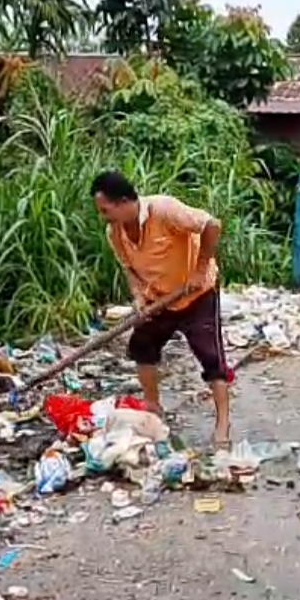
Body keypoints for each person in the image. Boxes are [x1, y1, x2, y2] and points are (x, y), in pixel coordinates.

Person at [90, 171, 231, 447]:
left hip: (197, 294)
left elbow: (212, 225)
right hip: (159, 299)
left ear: (122, 202)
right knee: (142, 346)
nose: (103, 216)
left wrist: (200, 269)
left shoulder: (164, 210)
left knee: (211, 358)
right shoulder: (115, 233)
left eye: (105, 210)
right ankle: (153, 408)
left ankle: (223, 424)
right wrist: (140, 299)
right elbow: (129, 268)